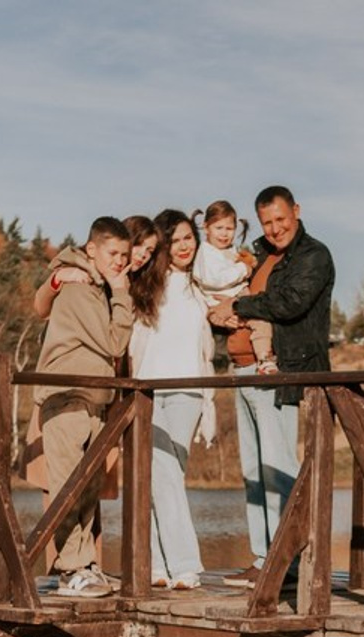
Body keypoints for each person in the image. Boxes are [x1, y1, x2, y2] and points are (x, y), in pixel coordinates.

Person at [208, 186, 335, 589]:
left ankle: (288, 564)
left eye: (281, 219)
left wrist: (239, 307)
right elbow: (228, 291)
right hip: (243, 369)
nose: (275, 228)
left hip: (279, 371)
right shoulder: (257, 253)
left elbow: (290, 302)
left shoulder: (313, 255)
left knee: (278, 467)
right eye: (267, 222)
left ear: (296, 211)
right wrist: (222, 313)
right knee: (253, 471)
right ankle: (263, 560)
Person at [31, 216, 134, 597]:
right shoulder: (79, 288)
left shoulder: (94, 285)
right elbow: (113, 343)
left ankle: (84, 563)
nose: (120, 262)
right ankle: (70, 569)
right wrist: (123, 293)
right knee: (67, 487)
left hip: (93, 400)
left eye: (124, 255)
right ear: (92, 250)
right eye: (113, 253)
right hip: (67, 397)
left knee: (87, 488)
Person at [128, 208, 216, 591]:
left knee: (166, 473)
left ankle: (171, 563)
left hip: (188, 391)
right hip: (147, 390)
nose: (186, 246)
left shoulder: (202, 285)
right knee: (157, 475)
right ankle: (169, 565)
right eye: (177, 239)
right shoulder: (146, 283)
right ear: (163, 243)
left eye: (189, 237)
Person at [191, 199, 275, 373]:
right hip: (221, 303)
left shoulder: (227, 250)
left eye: (229, 229)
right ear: (206, 227)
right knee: (260, 321)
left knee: (259, 323)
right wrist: (243, 269)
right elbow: (215, 279)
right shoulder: (206, 253)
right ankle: (264, 359)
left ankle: (261, 358)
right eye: (218, 228)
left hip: (235, 299)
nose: (224, 234)